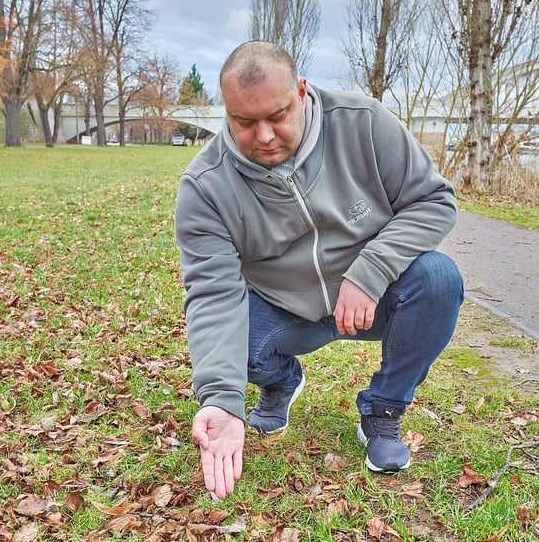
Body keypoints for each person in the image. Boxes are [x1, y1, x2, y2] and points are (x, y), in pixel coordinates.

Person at [174, 41, 464, 500]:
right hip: (286, 307)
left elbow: (434, 201)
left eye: (278, 115)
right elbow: (213, 295)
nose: (265, 136)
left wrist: (369, 272)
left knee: (439, 279)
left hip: (373, 300)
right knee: (238, 347)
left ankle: (383, 410)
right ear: (225, 112)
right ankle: (280, 381)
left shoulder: (363, 122)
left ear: (303, 92)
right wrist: (222, 401)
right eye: (245, 123)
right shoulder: (204, 188)